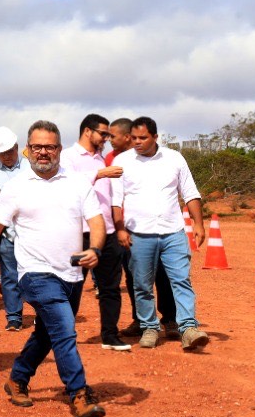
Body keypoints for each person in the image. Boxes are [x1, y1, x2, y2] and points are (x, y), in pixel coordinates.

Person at [0, 121, 107, 417]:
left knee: (47, 333)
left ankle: (17, 378)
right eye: (38, 147)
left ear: (59, 149)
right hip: (35, 272)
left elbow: (96, 221)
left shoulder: (78, 181)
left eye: (50, 146)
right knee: (65, 330)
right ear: (28, 150)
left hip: (71, 273)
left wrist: (95, 249)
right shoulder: (16, 187)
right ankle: (79, 394)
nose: (44, 152)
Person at [113, 117, 208, 351]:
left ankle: (188, 328)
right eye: (134, 138)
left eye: (143, 138)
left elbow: (189, 192)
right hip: (140, 235)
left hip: (172, 232)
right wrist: (120, 229)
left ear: (155, 137)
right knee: (142, 284)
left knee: (181, 280)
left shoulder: (174, 159)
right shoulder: (122, 162)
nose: (137, 142)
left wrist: (198, 224)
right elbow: (116, 201)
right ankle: (149, 327)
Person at [62, 114, 131, 351]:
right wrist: (100, 174)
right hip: (78, 233)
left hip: (108, 231)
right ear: (87, 131)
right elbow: (67, 184)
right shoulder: (68, 156)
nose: (107, 138)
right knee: (72, 285)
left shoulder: (101, 159)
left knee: (111, 287)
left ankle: (110, 335)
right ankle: (62, 333)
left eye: (109, 134)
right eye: (103, 133)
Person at [106, 117, 176, 337]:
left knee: (163, 275)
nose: (109, 140)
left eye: (112, 136)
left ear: (126, 136)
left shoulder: (160, 160)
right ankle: (141, 320)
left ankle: (170, 319)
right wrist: (119, 228)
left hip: (158, 228)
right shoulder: (112, 159)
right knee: (134, 276)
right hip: (129, 229)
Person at [0, 127, 26, 332]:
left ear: (17, 147)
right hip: (6, 233)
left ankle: (42, 314)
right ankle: (14, 316)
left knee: (35, 274)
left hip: (32, 232)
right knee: (9, 275)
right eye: (2, 153)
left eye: (10, 151)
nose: (7, 156)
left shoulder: (32, 167)